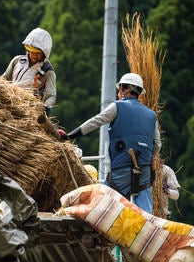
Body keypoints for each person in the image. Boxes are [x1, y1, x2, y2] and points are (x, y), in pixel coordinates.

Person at [62, 73, 162, 213]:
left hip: (122, 166)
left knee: (106, 206)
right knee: (144, 211)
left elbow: (95, 122)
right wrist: (148, 159)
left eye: (120, 88)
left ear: (126, 89)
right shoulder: (152, 115)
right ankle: (147, 233)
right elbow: (157, 144)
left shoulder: (117, 107)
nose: (118, 92)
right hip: (144, 169)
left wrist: (70, 136)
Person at [2, 28, 56, 116]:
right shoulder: (17, 61)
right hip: (10, 102)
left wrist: (46, 107)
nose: (34, 55)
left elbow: (51, 94)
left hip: (29, 109)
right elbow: (4, 78)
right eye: (32, 51)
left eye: (38, 52)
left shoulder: (48, 71)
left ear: (45, 53)